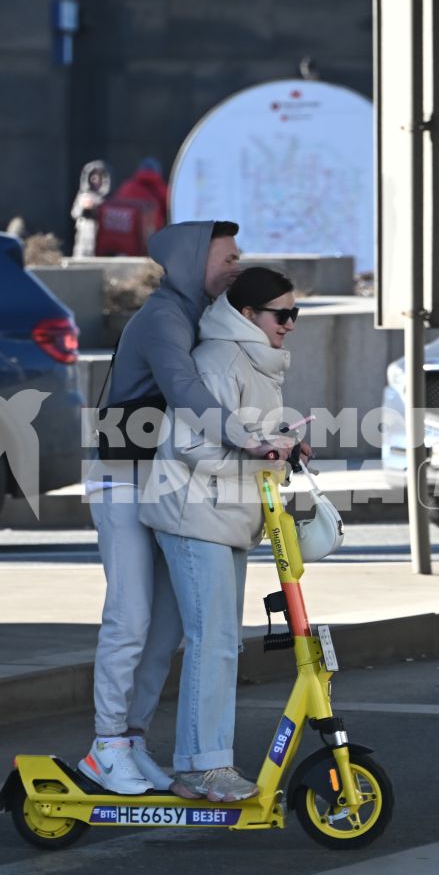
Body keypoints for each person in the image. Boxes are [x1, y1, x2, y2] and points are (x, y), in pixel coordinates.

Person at [80, 220, 252, 796]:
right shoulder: (163, 317)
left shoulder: (202, 315)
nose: (236, 266)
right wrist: (241, 435)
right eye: (227, 257)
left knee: (167, 625)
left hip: (161, 482)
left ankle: (131, 740)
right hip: (123, 480)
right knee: (130, 616)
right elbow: (183, 388)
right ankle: (105, 746)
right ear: (190, 259)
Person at [139, 266, 301, 802]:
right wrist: (258, 450)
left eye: (294, 314)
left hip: (226, 516)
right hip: (194, 514)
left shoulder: (260, 362)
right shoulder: (219, 360)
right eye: (282, 314)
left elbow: (250, 438)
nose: (291, 324)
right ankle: (200, 767)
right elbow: (192, 445)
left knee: (221, 642)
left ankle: (196, 760)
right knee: (213, 642)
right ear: (249, 315)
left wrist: (282, 445)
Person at [94, 158, 170, 257]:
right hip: (149, 242)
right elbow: (169, 212)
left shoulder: (127, 186)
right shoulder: (164, 190)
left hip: (124, 240)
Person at [69, 159, 111, 258]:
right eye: (93, 175)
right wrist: (84, 209)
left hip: (101, 242)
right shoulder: (83, 196)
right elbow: (74, 213)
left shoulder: (109, 199)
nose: (95, 179)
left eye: (99, 176)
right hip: (83, 240)